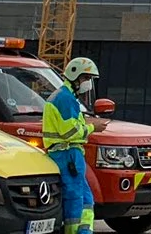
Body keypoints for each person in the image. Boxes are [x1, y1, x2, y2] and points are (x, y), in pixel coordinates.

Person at [44, 57, 106, 234]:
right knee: (74, 198)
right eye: (86, 78)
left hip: (72, 154)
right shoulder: (65, 98)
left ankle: (85, 231)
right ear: (75, 76)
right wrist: (94, 127)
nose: (88, 83)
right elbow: (70, 132)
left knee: (86, 200)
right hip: (66, 154)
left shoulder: (68, 97)